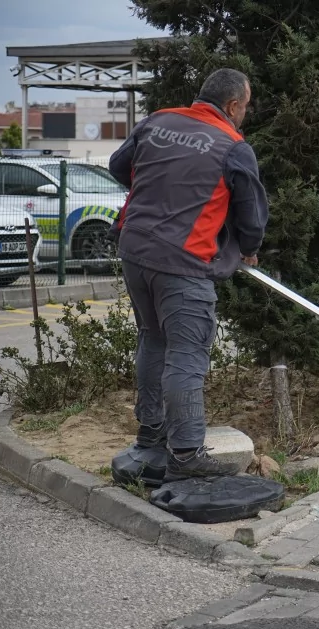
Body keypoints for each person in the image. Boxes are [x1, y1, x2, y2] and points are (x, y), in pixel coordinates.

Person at [108, 68, 269, 481]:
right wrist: (248, 249)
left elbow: (118, 165)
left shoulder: (157, 121)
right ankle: (186, 455)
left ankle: (150, 439)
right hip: (183, 263)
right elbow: (251, 215)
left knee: (153, 339)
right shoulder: (234, 146)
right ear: (233, 106)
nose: (244, 115)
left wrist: (160, 191)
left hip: (135, 248)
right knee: (186, 354)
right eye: (245, 107)